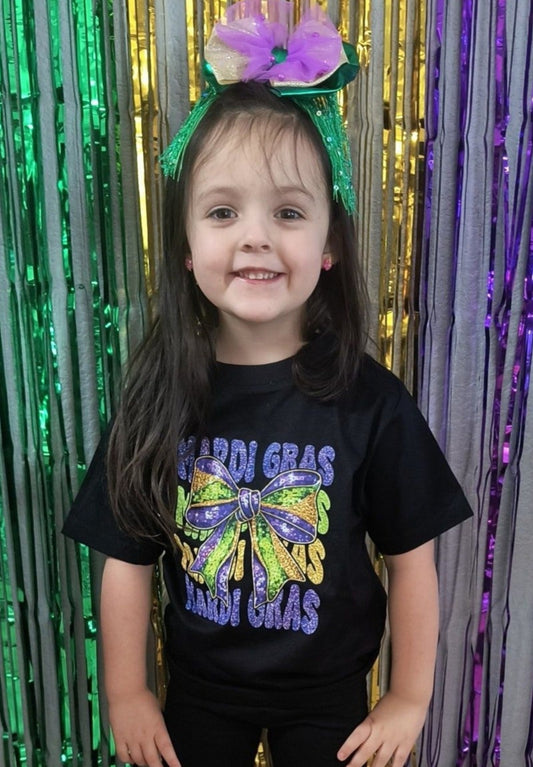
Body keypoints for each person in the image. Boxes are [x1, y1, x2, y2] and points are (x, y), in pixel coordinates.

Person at [63, 3, 473, 766]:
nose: (254, 236)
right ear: (186, 245)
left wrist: (408, 695)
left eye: (287, 211)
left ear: (327, 244)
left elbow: (410, 558)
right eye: (222, 211)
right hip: (198, 692)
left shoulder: (371, 402)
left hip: (328, 697)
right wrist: (127, 691)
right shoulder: (157, 393)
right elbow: (127, 559)